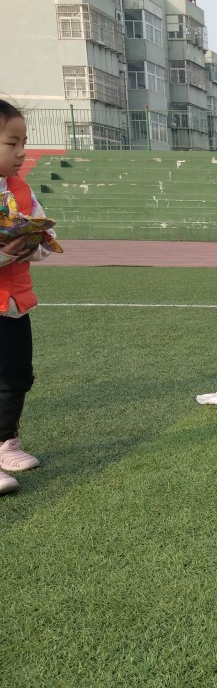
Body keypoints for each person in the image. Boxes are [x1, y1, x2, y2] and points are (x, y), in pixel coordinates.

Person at [0, 100, 59, 495]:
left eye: (24, 142)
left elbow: (43, 235)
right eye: (11, 143)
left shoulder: (20, 189)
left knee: (17, 375)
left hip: (14, 304)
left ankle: (6, 442)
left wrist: (33, 244)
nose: (22, 152)